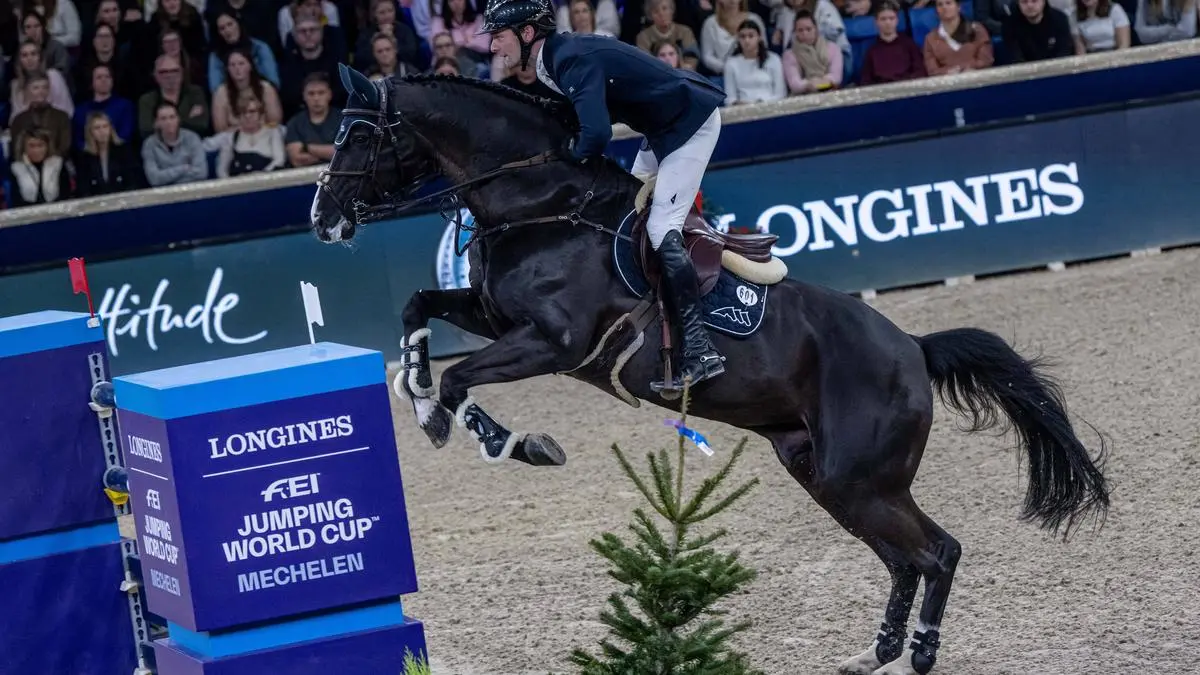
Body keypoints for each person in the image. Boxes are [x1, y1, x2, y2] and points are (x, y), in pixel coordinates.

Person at [482, 0, 729, 391]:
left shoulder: (569, 59)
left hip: (689, 123)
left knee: (661, 227)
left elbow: (595, 135)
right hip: (661, 127)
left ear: (527, 34)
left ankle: (701, 350)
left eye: (498, 36)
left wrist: (563, 160)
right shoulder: (553, 60)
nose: (493, 48)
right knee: (627, 214)